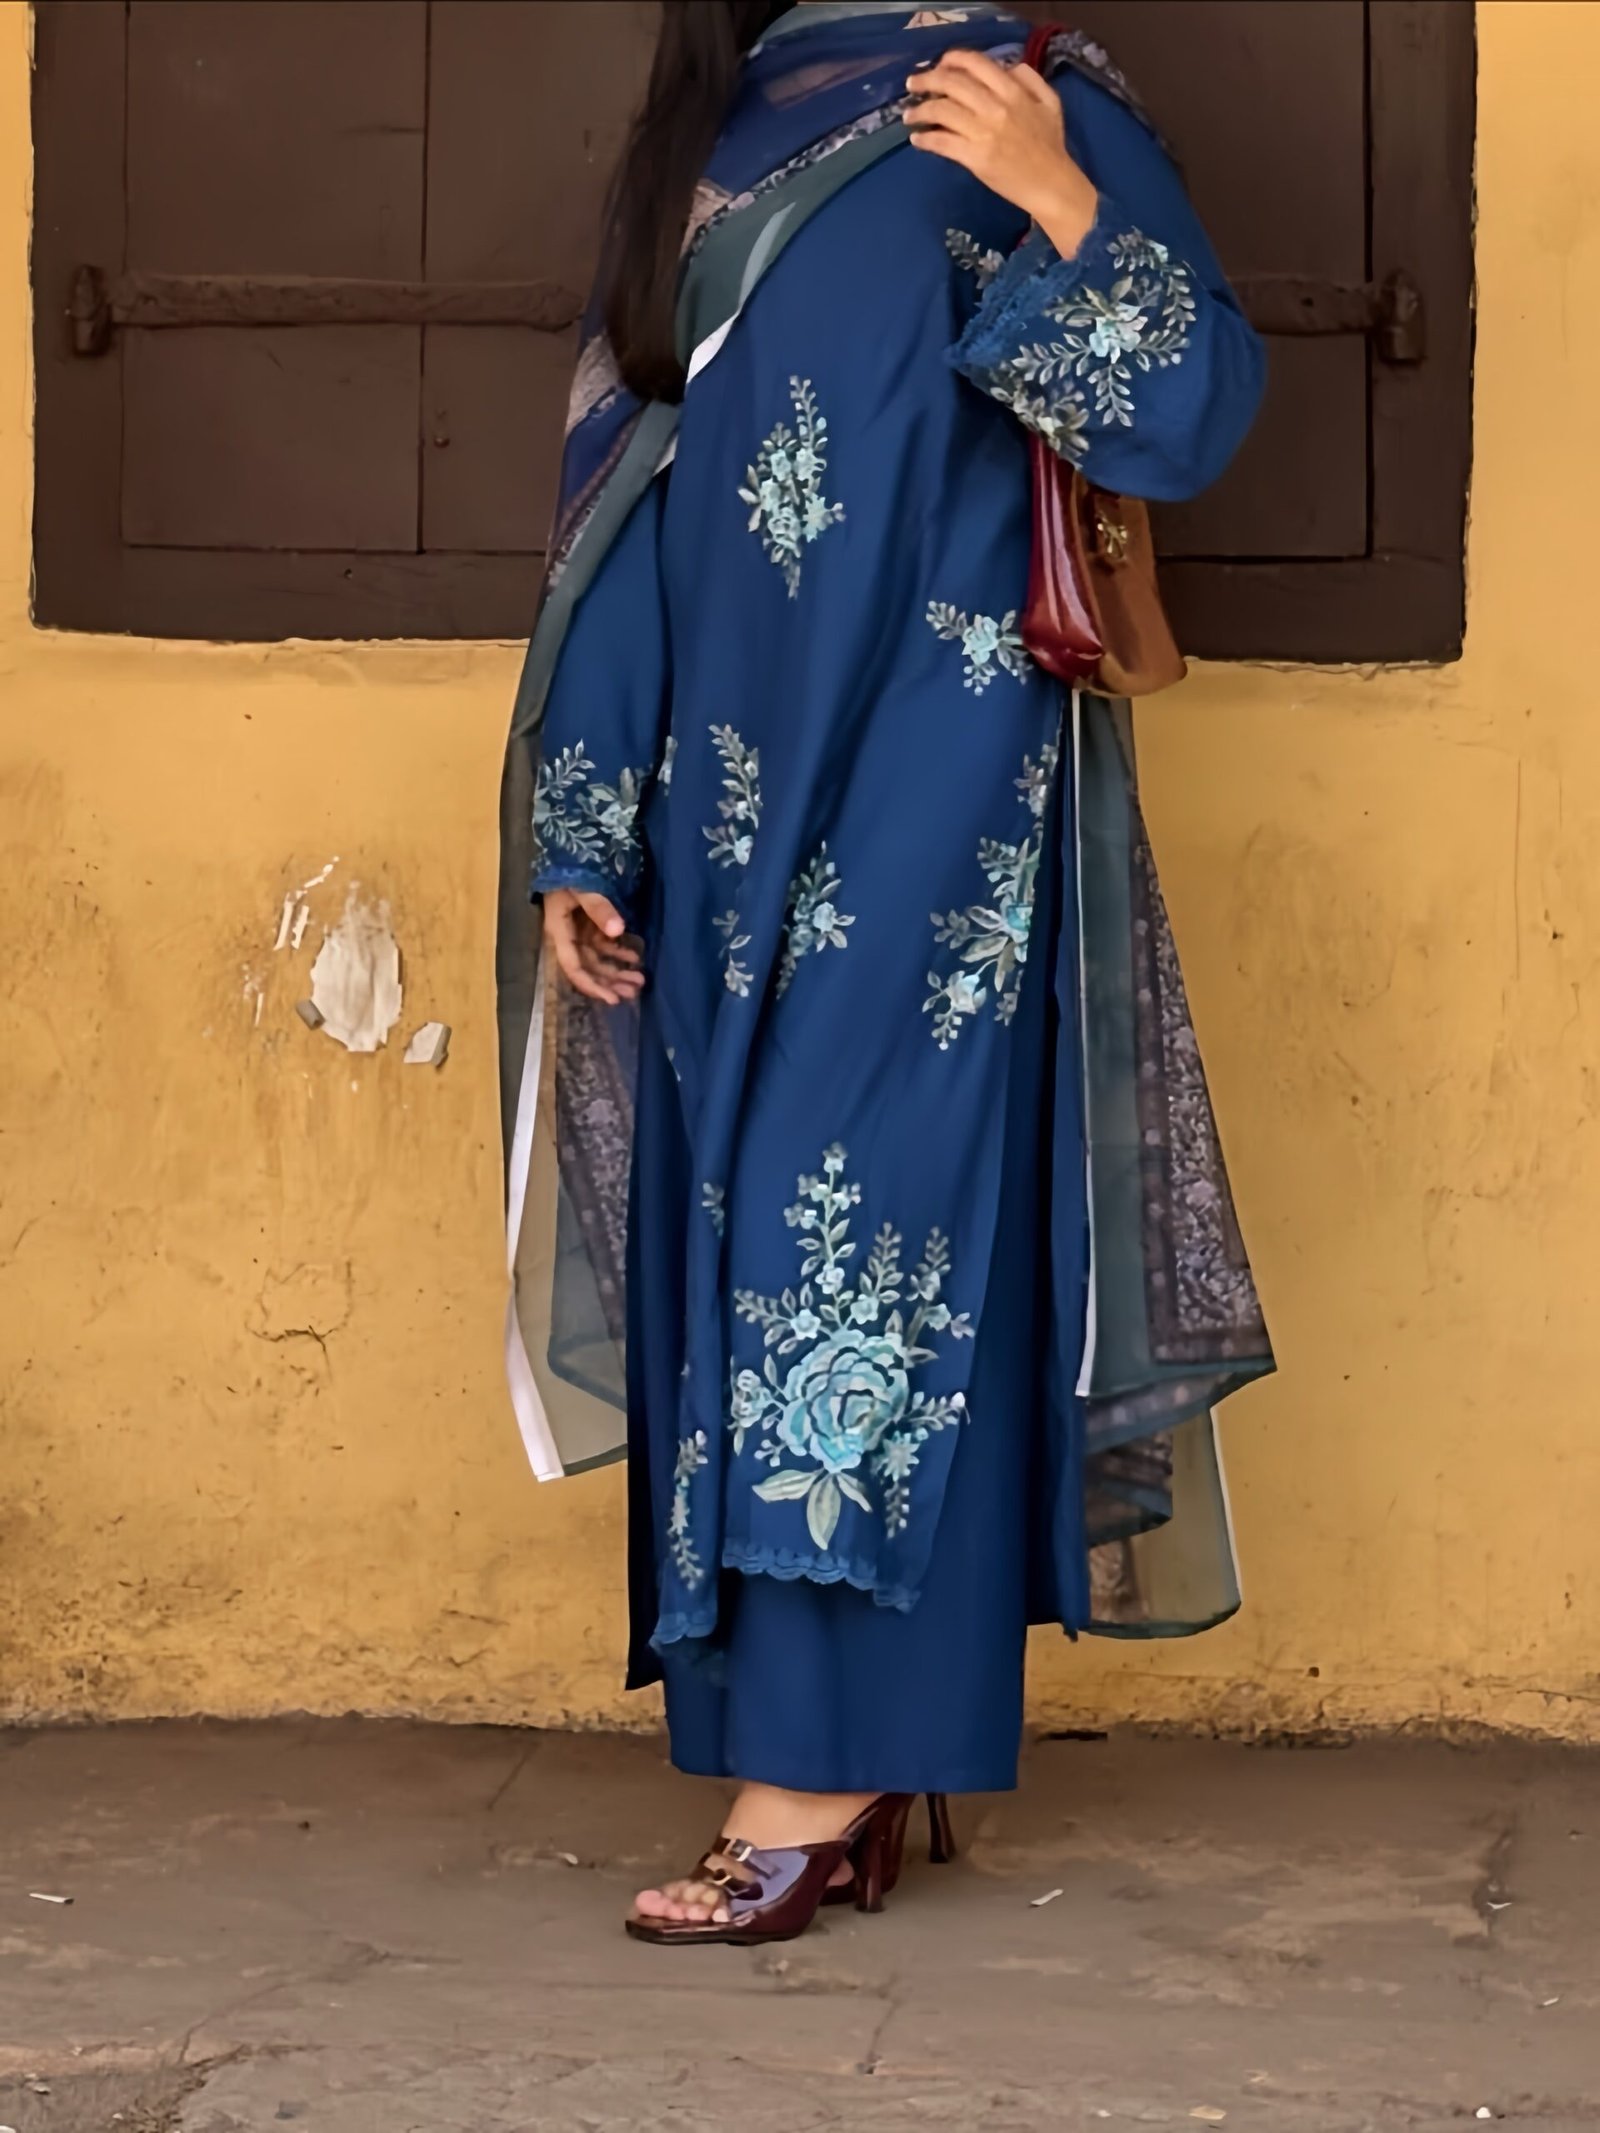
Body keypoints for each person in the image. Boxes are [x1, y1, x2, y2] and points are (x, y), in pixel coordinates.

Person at [498, 0, 1273, 1947]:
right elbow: (625, 504)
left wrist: (1054, 197)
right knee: (733, 1248)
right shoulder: (720, 131)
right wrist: (583, 817)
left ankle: (815, 1779)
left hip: (942, 782)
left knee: (840, 1230)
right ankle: (839, 1756)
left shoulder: (1031, 94)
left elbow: (1188, 408)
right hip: (720, 809)